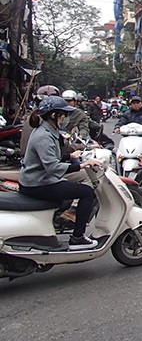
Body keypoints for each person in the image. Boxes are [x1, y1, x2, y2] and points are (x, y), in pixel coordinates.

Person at [19, 96, 102, 250]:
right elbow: (53, 168)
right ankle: (78, 237)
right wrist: (83, 165)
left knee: (72, 189)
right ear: (53, 115)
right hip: (39, 183)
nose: (65, 118)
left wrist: (70, 156)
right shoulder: (44, 136)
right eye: (63, 114)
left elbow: (49, 157)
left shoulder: (48, 131)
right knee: (87, 192)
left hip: (40, 179)